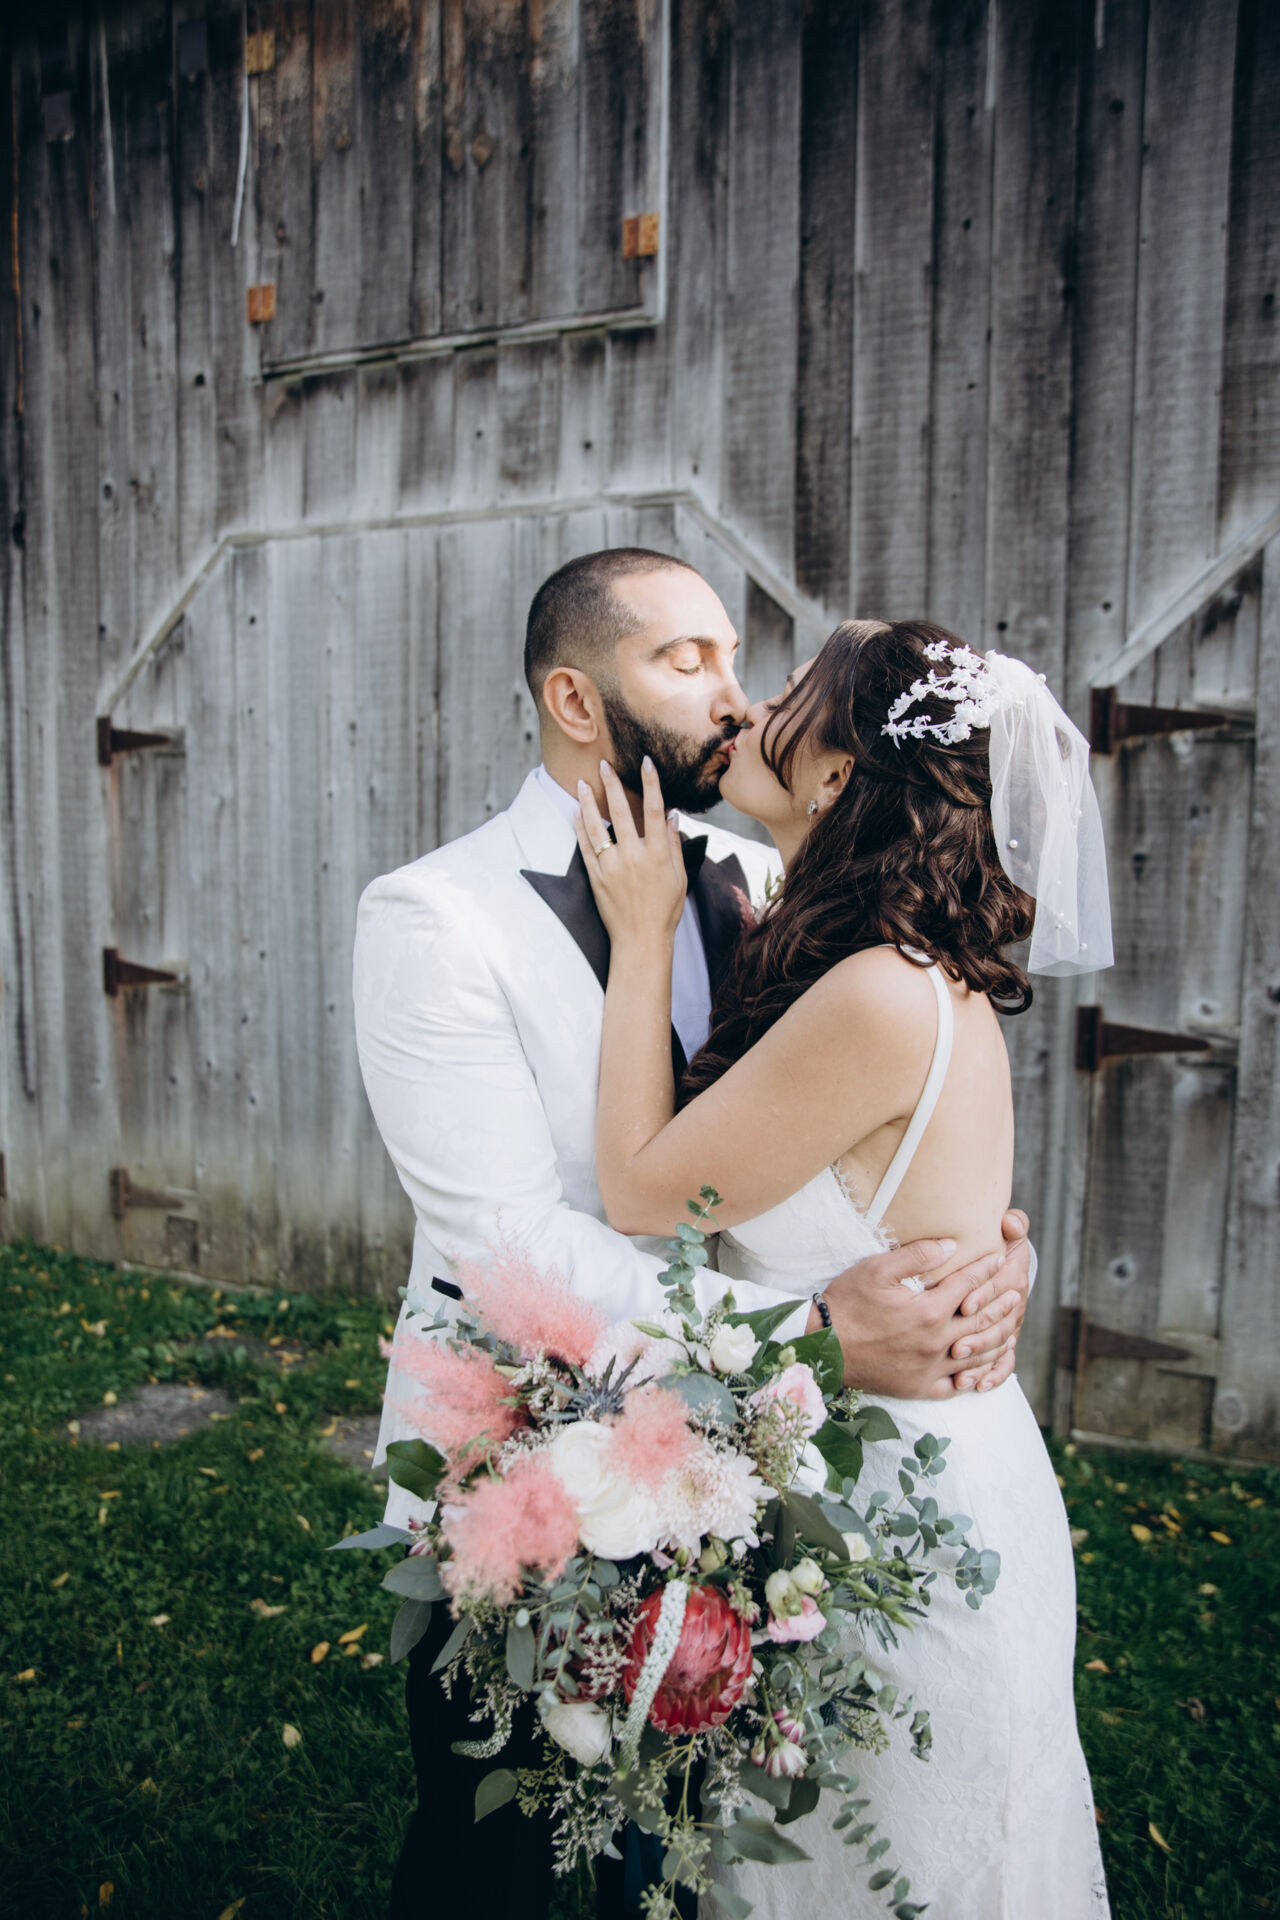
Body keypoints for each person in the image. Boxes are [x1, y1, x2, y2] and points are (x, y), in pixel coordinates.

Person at [352, 554, 1035, 1919]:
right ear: (576, 700)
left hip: (753, 1476)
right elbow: (504, 1243)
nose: (737, 695)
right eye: (688, 661)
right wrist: (815, 1336)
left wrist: (976, 1251)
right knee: (500, 1855)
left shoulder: (772, 875)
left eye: (736, 653)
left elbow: (857, 1131)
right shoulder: (434, 917)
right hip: (532, 1461)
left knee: (689, 1854)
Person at [572, 617, 1111, 1918]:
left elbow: (641, 1189)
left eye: (791, 692)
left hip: (906, 1513)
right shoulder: (866, 956)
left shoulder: (880, 990)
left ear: (832, 774)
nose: (749, 705)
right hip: (881, 1460)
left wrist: (642, 933)